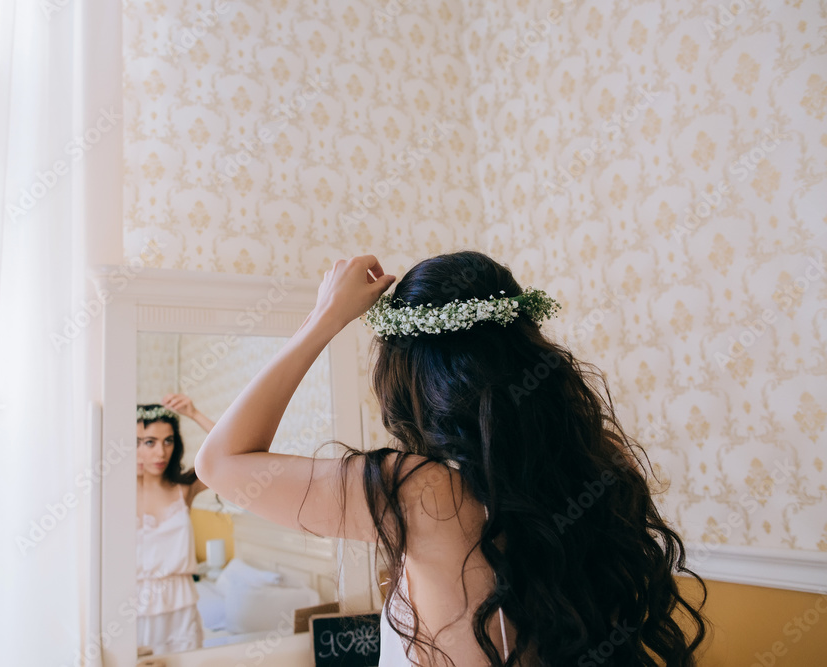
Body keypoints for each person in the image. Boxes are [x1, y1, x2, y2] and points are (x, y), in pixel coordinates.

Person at [196, 252, 709, 666]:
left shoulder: (421, 492)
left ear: (408, 376)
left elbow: (219, 461)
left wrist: (324, 318)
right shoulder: (596, 465)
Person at [136, 393, 215, 655]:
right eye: (150, 442)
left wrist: (193, 413)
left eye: (168, 441)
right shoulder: (113, 494)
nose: (161, 452)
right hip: (132, 606)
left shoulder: (185, 489)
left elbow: (231, 453)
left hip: (181, 604)